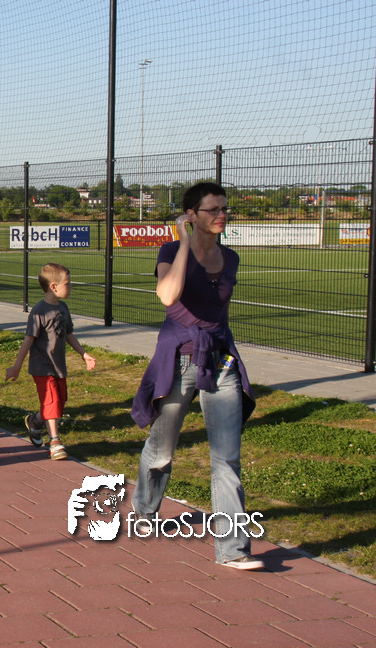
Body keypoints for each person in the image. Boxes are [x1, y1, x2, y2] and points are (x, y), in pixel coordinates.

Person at [130, 182, 261, 571]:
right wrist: (184, 243)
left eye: (224, 209)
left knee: (226, 459)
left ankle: (233, 550)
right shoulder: (171, 252)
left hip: (220, 361)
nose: (222, 215)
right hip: (180, 361)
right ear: (191, 215)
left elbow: (218, 312)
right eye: (213, 209)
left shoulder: (231, 258)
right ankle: (144, 510)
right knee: (162, 451)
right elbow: (168, 296)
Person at [4, 263, 96, 460]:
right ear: (54, 287)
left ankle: (35, 421)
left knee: (58, 404)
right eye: (67, 284)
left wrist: (84, 354)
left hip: (58, 366)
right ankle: (55, 442)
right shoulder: (39, 311)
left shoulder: (63, 308)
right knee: (51, 401)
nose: (70, 287)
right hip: (42, 367)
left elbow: (68, 334)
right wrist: (17, 366)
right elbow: (28, 340)